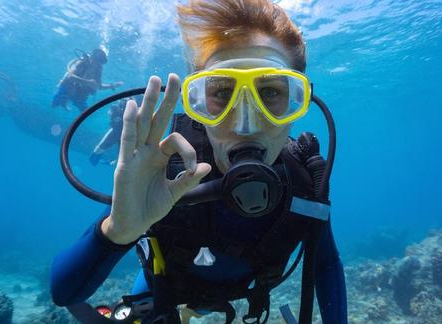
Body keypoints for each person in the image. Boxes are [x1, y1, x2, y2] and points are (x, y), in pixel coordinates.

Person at [51, 1, 347, 323]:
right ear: (197, 103)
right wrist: (116, 232)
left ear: (298, 101)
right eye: (221, 92)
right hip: (163, 291)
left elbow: (326, 265)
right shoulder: (167, 172)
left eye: (271, 92)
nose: (245, 125)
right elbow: (64, 293)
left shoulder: (305, 183)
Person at [52, 48, 124, 112]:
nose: (98, 64)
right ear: (92, 57)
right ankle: (64, 102)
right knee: (54, 104)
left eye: (101, 62)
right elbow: (70, 77)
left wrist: (113, 85)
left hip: (80, 94)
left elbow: (98, 86)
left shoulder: (98, 69)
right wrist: (87, 82)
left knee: (86, 111)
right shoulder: (81, 63)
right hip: (67, 89)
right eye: (98, 60)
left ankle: (66, 102)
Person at [89, 98, 129, 166]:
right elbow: (110, 114)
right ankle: (106, 162)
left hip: (125, 133)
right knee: (94, 156)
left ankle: (110, 163)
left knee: (121, 159)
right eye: (121, 103)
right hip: (116, 131)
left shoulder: (133, 109)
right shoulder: (115, 108)